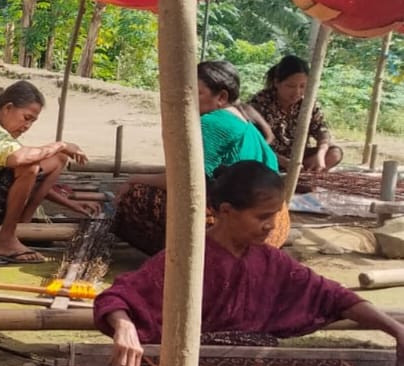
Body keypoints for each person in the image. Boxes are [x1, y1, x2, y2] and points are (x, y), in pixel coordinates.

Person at [95, 161, 404, 366]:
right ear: (226, 211)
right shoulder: (185, 257)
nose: (271, 226)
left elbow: (334, 296)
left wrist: (394, 329)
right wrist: (124, 326)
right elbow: (118, 296)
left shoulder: (271, 261)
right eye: (263, 217)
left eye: (275, 216)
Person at [113, 60, 288, 256]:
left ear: (221, 97)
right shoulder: (245, 121)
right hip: (276, 223)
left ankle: (188, 257)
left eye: (195, 93)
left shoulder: (212, 123)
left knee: (136, 195)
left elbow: (183, 181)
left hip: (244, 226)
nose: (186, 100)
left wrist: (133, 179)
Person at [0, 80, 94, 264]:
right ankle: (7, 239)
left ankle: (22, 223)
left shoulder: (2, 137)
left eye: (33, 121)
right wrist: (60, 144)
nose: (27, 126)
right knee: (29, 164)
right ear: (8, 108)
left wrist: (70, 204)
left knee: (58, 159)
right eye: (26, 117)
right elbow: (21, 163)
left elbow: (25, 182)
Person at [248, 55, 343, 173]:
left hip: (297, 158)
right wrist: (284, 162)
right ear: (277, 82)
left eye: (302, 86)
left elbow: (322, 130)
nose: (297, 92)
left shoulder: (307, 103)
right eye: (290, 86)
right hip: (269, 157)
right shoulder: (260, 102)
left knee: (335, 153)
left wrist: (321, 154)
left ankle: (301, 175)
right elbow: (255, 142)